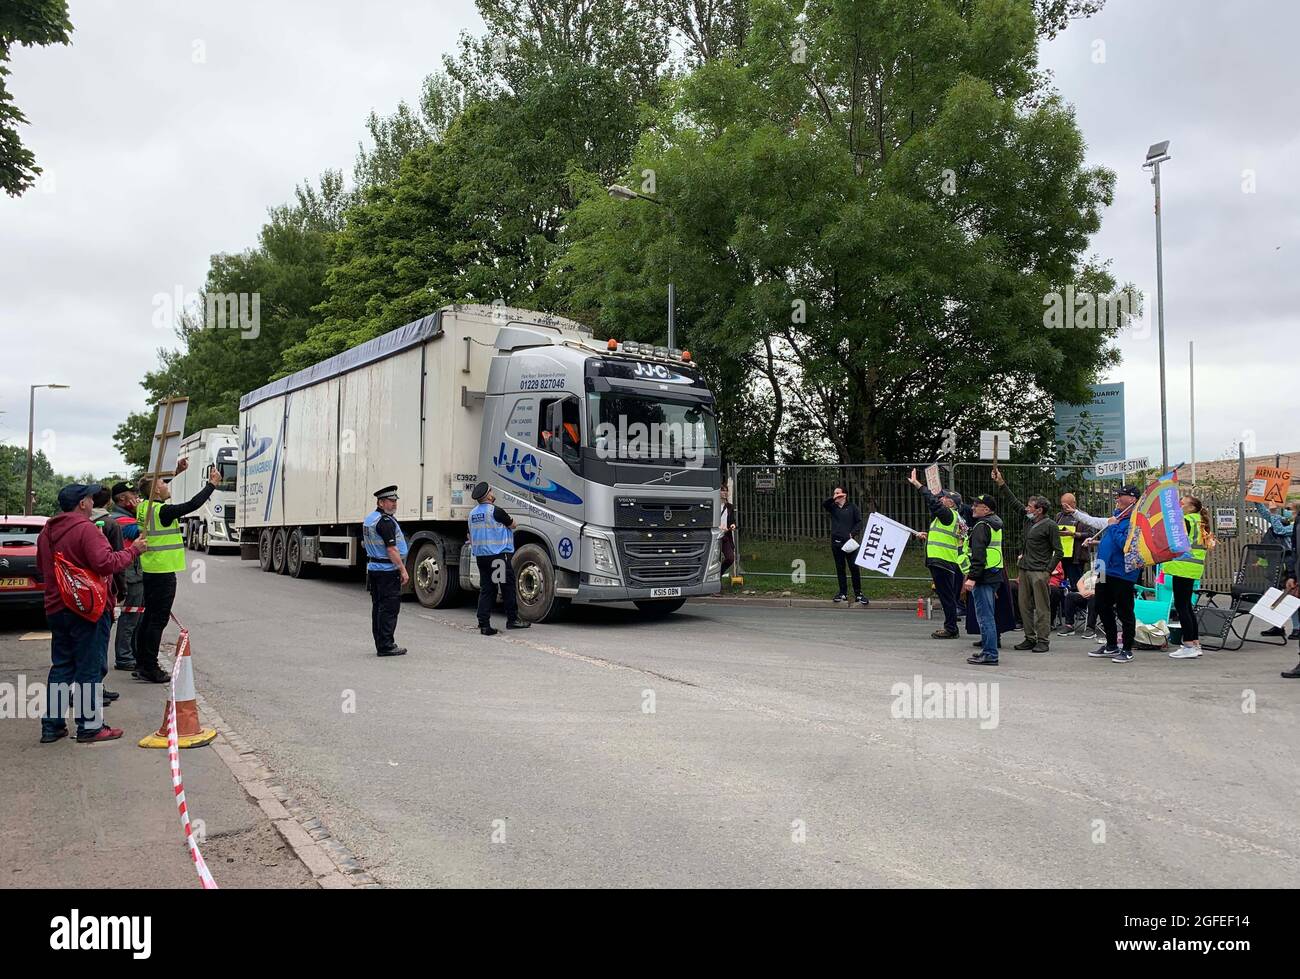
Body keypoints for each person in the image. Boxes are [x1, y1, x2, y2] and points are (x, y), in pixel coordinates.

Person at [35, 483, 147, 743]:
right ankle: (89, 726)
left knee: (62, 666)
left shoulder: (47, 532)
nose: (91, 502)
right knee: (89, 668)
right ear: (82, 504)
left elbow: (42, 569)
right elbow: (106, 563)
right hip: (87, 608)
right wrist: (133, 550)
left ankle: (52, 726)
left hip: (56, 607)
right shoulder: (87, 530)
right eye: (88, 498)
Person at [134, 459, 220, 682]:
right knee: (157, 620)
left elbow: (154, 487)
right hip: (163, 571)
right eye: (165, 482)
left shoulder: (144, 506)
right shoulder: (162, 511)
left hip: (151, 568)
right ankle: (150, 667)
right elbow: (192, 505)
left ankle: (141, 662)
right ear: (156, 489)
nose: (168, 485)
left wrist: (177, 472)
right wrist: (211, 485)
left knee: (148, 618)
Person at [991, 473, 1065, 653]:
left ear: (1039, 510)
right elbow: (1014, 502)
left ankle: (1043, 640)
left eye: (1030, 507)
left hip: (1040, 571)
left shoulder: (1050, 526)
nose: (1027, 508)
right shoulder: (1027, 520)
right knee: (1024, 605)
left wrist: (1048, 571)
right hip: (1024, 569)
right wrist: (1002, 483)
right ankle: (1029, 637)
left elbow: (1059, 551)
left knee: (1042, 607)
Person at [1075, 485, 1140, 663]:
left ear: (1132, 499)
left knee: (1125, 610)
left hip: (1122, 572)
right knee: (1101, 605)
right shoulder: (1116, 517)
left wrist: (1113, 527)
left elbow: (1126, 545)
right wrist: (1095, 542)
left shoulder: (1135, 521)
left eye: (1121, 496)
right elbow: (1109, 539)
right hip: (1103, 568)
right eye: (1117, 496)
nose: (1117, 499)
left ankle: (1127, 648)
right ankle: (1111, 644)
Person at [907, 469, 963, 639]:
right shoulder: (948, 517)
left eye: (945, 497)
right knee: (947, 595)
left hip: (943, 561)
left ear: (952, 503)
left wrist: (918, 485)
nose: (942, 498)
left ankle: (951, 628)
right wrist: (928, 536)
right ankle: (951, 626)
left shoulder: (949, 515)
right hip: (942, 561)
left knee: (947, 596)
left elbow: (932, 502)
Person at [469, 481, 530, 635]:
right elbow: (513, 525)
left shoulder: (472, 514)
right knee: (506, 587)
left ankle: (483, 623)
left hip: (482, 557)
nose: (492, 493)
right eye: (491, 490)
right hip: (497, 557)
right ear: (488, 496)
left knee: (486, 589)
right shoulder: (495, 511)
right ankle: (513, 620)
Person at [361, 485, 409, 657]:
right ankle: (386, 646)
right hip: (387, 571)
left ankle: (381, 643)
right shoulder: (385, 522)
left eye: (395, 501)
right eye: (390, 501)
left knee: (378, 608)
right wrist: (402, 569)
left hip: (374, 569)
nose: (394, 504)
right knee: (389, 609)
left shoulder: (370, 519)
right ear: (380, 503)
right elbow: (392, 550)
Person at [89, 487, 125, 704]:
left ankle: (52, 724)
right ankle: (90, 719)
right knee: (96, 646)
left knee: (65, 660)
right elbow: (115, 562)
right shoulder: (109, 525)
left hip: (66, 599)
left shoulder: (53, 528)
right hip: (98, 596)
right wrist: (121, 591)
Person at [962, 494, 1004, 665]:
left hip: (983, 576)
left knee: (985, 617)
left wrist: (972, 577)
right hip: (993, 574)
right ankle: (988, 650)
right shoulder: (995, 523)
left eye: (976, 505)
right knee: (988, 615)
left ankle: (990, 654)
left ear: (986, 509)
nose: (972, 507)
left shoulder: (981, 525)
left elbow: (978, 554)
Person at [1163, 495, 1207, 659]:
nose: (1179, 504)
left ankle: (1189, 644)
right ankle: (1195, 643)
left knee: (1182, 606)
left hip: (1182, 566)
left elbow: (1176, 543)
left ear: (1191, 507)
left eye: (1182, 502)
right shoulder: (1200, 521)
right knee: (1187, 606)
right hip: (1193, 567)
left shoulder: (1186, 521)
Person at [107, 481, 143, 672]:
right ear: (122, 498)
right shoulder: (120, 520)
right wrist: (142, 511)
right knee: (130, 617)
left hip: (134, 571)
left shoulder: (126, 517)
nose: (136, 498)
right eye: (132, 495)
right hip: (130, 574)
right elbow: (143, 531)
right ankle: (124, 657)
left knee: (136, 617)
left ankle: (132, 655)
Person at [1254, 501, 1298, 639]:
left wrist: (1273, 514)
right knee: (1275, 595)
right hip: (1278, 564)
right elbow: (1265, 514)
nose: (1286, 511)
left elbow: (1280, 530)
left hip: (1290, 565)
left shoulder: (1294, 526)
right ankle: (1277, 625)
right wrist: (1256, 498)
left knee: (1292, 597)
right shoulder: (1284, 521)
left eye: (1289, 509)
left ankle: (1297, 627)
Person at [822, 487, 867, 605]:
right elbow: (824, 504)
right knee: (840, 568)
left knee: (854, 568)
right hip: (836, 543)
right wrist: (834, 498)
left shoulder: (852, 507)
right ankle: (843, 593)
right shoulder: (832, 507)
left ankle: (858, 594)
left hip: (850, 544)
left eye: (838, 493)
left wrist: (852, 533)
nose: (835, 495)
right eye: (834, 493)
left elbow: (859, 522)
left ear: (844, 495)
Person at [718, 482, 737, 586]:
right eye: (722, 490)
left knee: (730, 558)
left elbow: (732, 520)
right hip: (715, 536)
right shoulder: (714, 505)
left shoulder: (729, 507)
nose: (724, 492)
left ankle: (719, 574)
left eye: (726, 490)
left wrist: (733, 525)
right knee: (715, 561)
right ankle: (716, 586)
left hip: (726, 536)